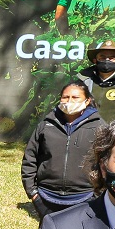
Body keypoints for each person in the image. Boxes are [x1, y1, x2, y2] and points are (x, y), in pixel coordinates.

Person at [22, 79, 105, 221]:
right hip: (46, 197)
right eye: (65, 97)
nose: (70, 101)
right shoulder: (46, 125)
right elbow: (30, 158)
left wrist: (97, 195)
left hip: (85, 197)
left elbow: (107, 162)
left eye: (75, 97)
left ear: (87, 101)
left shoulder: (100, 127)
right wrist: (33, 193)